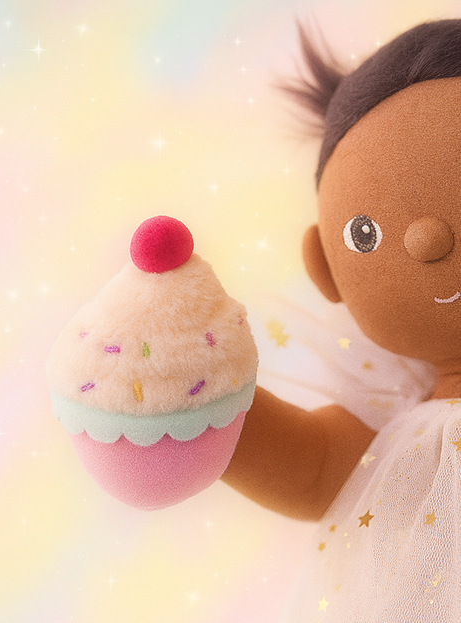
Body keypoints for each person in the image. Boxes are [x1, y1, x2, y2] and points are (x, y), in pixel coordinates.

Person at [221, 20, 461, 620]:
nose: (428, 240)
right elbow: (314, 467)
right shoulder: (403, 434)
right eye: (365, 234)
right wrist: (197, 407)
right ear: (325, 268)